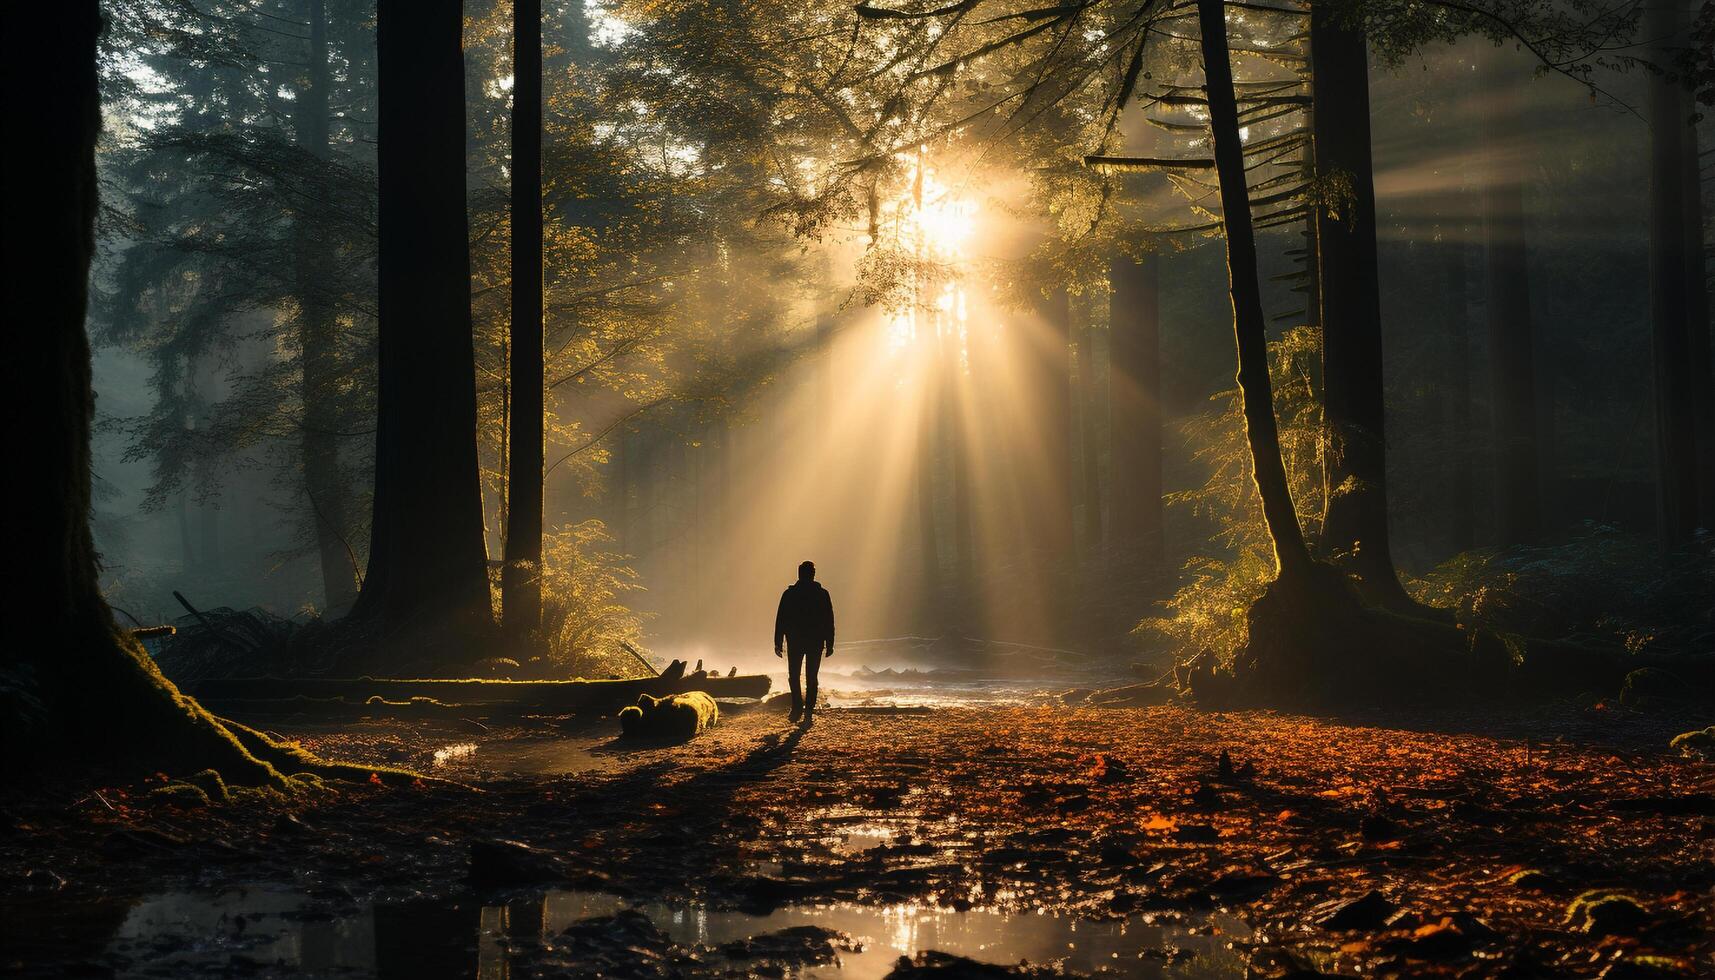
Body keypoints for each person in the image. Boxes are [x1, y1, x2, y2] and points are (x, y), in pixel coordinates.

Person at [774, 560, 834, 723]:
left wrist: (778, 641)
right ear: (812, 574)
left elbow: (781, 619)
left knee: (794, 675)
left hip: (796, 641)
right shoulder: (821, 594)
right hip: (814, 641)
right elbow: (829, 620)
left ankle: (798, 707)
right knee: (810, 676)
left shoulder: (790, 594)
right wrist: (830, 642)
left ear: (799, 574)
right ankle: (807, 707)